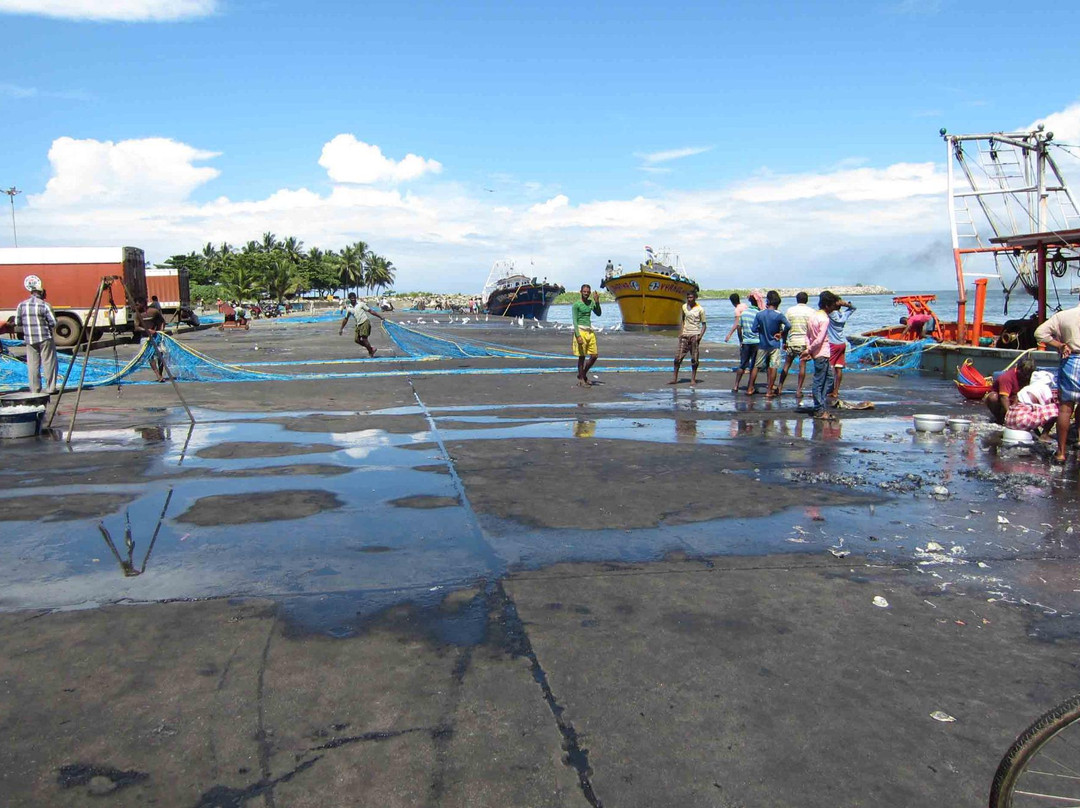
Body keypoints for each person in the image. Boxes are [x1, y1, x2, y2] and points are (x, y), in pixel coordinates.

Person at [1035, 304, 1080, 462]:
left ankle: (1061, 453)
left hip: (1072, 360)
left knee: (1066, 408)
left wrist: (1059, 345)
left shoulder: (1063, 316)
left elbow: (1040, 333)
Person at [802, 291, 841, 421]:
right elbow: (819, 339)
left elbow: (807, 336)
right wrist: (809, 350)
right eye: (832, 305)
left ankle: (821, 405)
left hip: (817, 353)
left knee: (829, 380)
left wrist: (809, 349)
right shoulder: (824, 319)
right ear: (827, 305)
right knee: (819, 381)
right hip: (821, 353)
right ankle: (819, 409)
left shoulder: (813, 316)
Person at [14, 277, 57, 394]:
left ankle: (35, 389)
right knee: (49, 362)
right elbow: (54, 322)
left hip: (30, 339)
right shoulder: (45, 305)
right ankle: (51, 388)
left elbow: (17, 322)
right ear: (42, 293)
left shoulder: (21, 305)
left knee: (33, 365)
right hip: (45, 338)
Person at [747, 291, 791, 398]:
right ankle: (769, 391)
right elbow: (788, 325)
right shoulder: (779, 315)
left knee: (756, 366)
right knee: (773, 366)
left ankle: (750, 388)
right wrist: (781, 334)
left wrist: (762, 329)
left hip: (762, 344)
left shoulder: (760, 314)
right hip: (774, 344)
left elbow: (753, 329)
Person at [778, 291, 815, 397]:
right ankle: (798, 390)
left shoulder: (790, 311)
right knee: (802, 366)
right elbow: (812, 329)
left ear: (797, 300)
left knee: (786, 365)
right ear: (806, 300)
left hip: (792, 341)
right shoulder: (811, 312)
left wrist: (784, 341)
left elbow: (786, 327)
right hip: (804, 342)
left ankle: (780, 387)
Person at [1004, 370, 1059, 437]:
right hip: (1022, 420)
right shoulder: (1044, 388)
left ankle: (1038, 434)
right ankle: (1044, 436)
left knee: (1032, 410)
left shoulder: (1025, 388)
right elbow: (1047, 409)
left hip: (1009, 419)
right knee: (1056, 409)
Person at [670, 289, 707, 385]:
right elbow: (683, 319)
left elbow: (704, 325)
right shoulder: (684, 307)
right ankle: (674, 378)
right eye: (688, 298)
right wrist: (681, 332)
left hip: (695, 334)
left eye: (691, 297)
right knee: (677, 358)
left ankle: (693, 379)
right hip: (685, 335)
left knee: (694, 359)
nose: (689, 299)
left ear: (695, 298)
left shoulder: (700, 309)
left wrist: (700, 336)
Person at [984, 358, 1034, 425]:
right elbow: (1004, 397)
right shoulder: (1007, 377)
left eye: (1028, 374)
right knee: (992, 397)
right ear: (1018, 369)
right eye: (1024, 373)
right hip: (1003, 401)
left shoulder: (1031, 377)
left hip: (1018, 399)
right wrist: (1010, 415)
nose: (1026, 376)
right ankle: (1000, 419)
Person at [572, 284, 602, 386]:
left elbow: (598, 313)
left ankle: (582, 374)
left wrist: (597, 301)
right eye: (584, 291)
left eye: (588, 292)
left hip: (589, 331)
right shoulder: (576, 305)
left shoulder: (590, 303)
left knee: (594, 355)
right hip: (580, 331)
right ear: (581, 292)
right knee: (582, 356)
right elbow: (575, 321)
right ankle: (582, 380)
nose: (586, 293)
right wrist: (578, 335)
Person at [338, 292, 385, 357]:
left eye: (354, 298)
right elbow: (346, 319)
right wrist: (341, 328)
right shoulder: (349, 309)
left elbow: (370, 311)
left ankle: (371, 352)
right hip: (358, 324)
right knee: (357, 340)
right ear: (349, 299)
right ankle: (371, 349)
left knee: (364, 338)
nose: (353, 299)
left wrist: (380, 317)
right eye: (352, 298)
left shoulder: (361, 304)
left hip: (365, 322)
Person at [826, 298, 857, 398]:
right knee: (839, 368)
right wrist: (846, 304)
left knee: (829, 368)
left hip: (832, 343)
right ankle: (836, 391)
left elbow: (823, 310)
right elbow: (853, 308)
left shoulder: (830, 315)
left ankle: (827, 389)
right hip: (841, 343)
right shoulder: (843, 315)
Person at [731, 292, 762, 393]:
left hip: (746, 341)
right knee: (754, 365)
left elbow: (739, 328)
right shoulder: (759, 314)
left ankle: (736, 385)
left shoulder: (744, 313)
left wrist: (741, 340)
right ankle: (750, 386)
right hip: (756, 341)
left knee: (742, 364)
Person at [134, 302, 167, 382]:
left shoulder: (154, 311)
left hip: (156, 336)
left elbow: (162, 321)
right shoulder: (137, 314)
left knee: (160, 355)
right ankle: (158, 375)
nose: (136, 306)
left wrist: (160, 331)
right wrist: (147, 330)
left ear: (143, 304)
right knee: (150, 356)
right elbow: (136, 327)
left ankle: (160, 373)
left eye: (137, 304)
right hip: (145, 337)